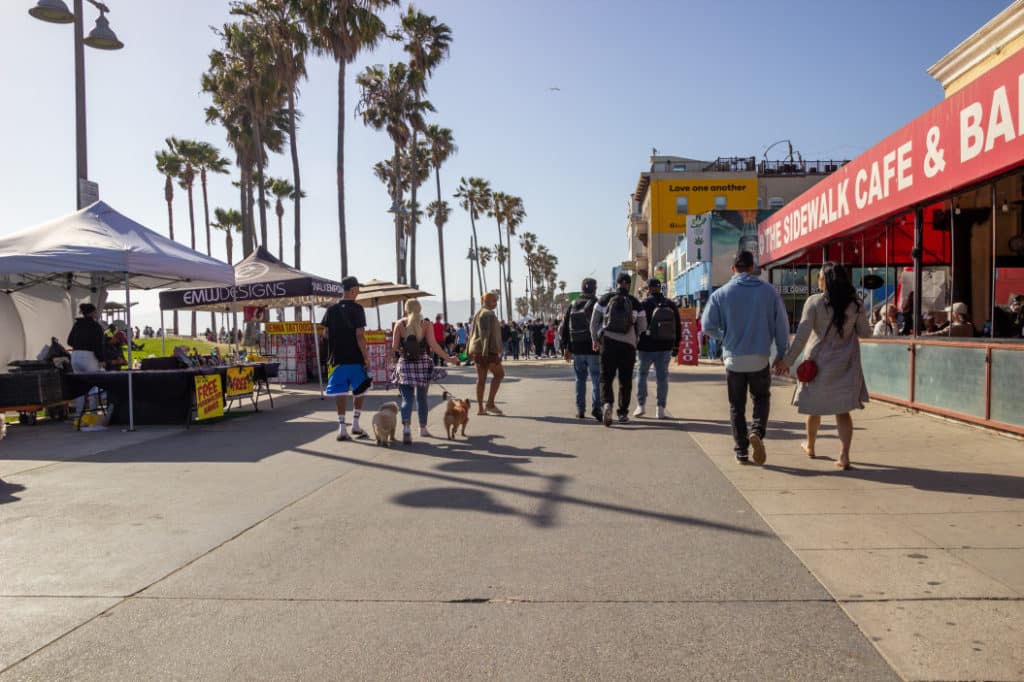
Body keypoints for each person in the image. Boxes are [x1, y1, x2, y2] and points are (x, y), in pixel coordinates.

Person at [776, 262, 870, 470]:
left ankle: (810, 445)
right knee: (843, 411)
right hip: (845, 364)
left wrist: (787, 362)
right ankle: (844, 456)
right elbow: (865, 333)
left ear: (825, 280)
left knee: (814, 408)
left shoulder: (814, 302)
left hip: (818, 365)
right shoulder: (856, 304)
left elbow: (801, 336)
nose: (817, 279)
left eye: (819, 276)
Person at [701, 251, 790, 465]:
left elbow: (706, 326)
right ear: (753, 268)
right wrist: (781, 353)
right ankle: (757, 432)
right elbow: (782, 326)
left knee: (736, 406)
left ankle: (741, 450)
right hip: (760, 357)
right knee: (761, 398)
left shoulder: (720, 294)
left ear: (733, 269)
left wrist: (725, 337)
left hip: (734, 359)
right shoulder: (769, 292)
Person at [393, 301, 459, 444]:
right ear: (420, 309)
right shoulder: (427, 324)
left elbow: (394, 347)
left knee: (407, 399)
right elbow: (434, 346)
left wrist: (404, 351)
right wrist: (449, 358)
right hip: (423, 364)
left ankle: (406, 429)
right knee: (422, 398)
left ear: (406, 310)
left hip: (405, 364)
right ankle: (423, 429)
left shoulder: (399, 324)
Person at [590, 272, 647, 426]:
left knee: (606, 377)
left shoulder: (605, 299)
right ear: (629, 285)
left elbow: (594, 323)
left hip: (608, 343)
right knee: (625, 380)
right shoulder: (635, 302)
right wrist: (635, 336)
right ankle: (622, 413)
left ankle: (607, 403)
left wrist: (595, 339)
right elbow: (643, 326)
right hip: (628, 346)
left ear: (617, 283)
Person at [321, 276, 371, 442]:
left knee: (340, 391)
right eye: (358, 289)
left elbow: (325, 334)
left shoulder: (331, 310)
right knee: (360, 390)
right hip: (355, 358)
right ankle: (356, 424)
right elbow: (360, 335)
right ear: (352, 290)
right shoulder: (358, 309)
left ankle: (342, 428)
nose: (359, 292)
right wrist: (366, 357)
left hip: (337, 358)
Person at [635, 278, 681, 419]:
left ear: (648, 289)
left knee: (642, 376)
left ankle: (641, 405)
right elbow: (678, 326)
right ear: (660, 288)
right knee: (662, 378)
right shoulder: (670, 304)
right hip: (665, 346)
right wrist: (676, 346)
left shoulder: (643, 304)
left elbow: (638, 325)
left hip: (645, 347)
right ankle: (660, 408)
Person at [559, 277, 602, 421]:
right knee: (596, 379)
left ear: (582, 288)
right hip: (593, 348)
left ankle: (580, 410)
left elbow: (565, 328)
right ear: (594, 289)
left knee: (580, 380)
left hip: (576, 348)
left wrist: (566, 348)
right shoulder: (597, 303)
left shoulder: (573, 304)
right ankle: (597, 408)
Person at [467, 292, 505, 415]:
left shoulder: (478, 313)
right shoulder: (487, 314)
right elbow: (485, 335)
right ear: (488, 301)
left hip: (479, 351)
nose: (496, 303)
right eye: (494, 300)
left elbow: (473, 334)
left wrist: (469, 351)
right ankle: (489, 404)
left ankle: (480, 408)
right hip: (487, 351)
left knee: (481, 379)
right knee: (499, 375)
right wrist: (487, 353)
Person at [67, 303, 107, 416]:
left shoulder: (77, 324)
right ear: (92, 312)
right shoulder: (96, 326)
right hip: (89, 357)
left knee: (79, 387)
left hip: (75, 356)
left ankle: (78, 415)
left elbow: (69, 341)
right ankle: (93, 414)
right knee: (93, 386)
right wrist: (101, 359)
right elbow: (99, 346)